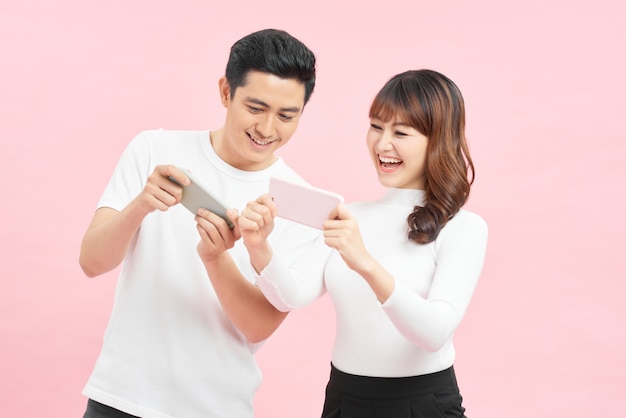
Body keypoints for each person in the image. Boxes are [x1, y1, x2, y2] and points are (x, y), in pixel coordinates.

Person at [78, 28, 319, 418]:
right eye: (256, 108)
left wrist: (215, 257)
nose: (268, 129)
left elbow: (259, 325)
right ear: (226, 91)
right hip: (120, 397)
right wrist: (141, 205)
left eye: (287, 116)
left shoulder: (296, 202)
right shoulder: (153, 149)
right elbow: (92, 261)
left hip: (215, 407)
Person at [243, 69, 488, 417]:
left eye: (400, 132)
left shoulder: (463, 228)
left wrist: (365, 263)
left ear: (437, 140)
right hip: (345, 398)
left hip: (423, 402)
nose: (382, 144)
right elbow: (292, 295)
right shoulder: (349, 216)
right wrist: (259, 248)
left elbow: (435, 333)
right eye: (376, 127)